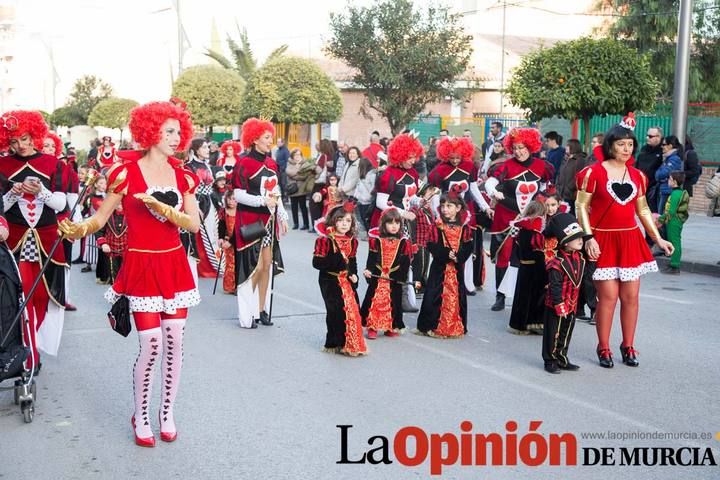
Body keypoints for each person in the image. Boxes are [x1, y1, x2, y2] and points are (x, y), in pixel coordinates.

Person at [58, 99, 202, 447]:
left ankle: (166, 412)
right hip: (141, 265)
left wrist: (166, 210)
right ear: (150, 132)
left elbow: (195, 224)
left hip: (174, 264)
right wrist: (79, 229)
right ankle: (141, 413)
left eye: (178, 131)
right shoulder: (125, 173)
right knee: (151, 343)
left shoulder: (184, 176)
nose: (175, 137)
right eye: (168, 131)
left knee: (176, 340)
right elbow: (101, 218)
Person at [575, 113, 674, 368]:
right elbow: (581, 207)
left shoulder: (638, 176)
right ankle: (604, 346)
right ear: (610, 145)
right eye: (621, 144)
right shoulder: (592, 173)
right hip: (602, 240)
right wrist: (588, 238)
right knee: (607, 297)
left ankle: (628, 345)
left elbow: (642, 211)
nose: (626, 149)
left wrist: (659, 240)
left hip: (630, 240)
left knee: (631, 298)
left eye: (630, 145)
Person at [0, 111, 67, 373]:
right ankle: (27, 355)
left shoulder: (53, 163)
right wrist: (14, 194)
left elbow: (61, 204)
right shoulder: (2, 166)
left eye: (25, 139)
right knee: (18, 299)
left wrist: (42, 191)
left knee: (42, 298)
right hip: (13, 243)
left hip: (48, 242)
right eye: (14, 141)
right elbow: (0, 208)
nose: (20, 146)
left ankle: (34, 347)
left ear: (35, 135)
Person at [485, 128, 553, 311]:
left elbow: (547, 186)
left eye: (522, 147)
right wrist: (494, 192)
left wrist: (543, 201)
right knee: (504, 257)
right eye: (514, 148)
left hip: (530, 219)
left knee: (527, 257)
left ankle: (523, 294)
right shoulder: (505, 166)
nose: (518, 151)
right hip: (506, 217)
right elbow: (490, 181)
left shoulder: (542, 166)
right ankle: (500, 296)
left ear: (530, 147)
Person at [231, 118, 288, 329]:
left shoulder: (271, 163)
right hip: (249, 220)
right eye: (266, 137)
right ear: (254, 139)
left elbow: (276, 192)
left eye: (270, 137)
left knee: (266, 266)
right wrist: (262, 201)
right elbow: (237, 194)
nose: (270, 141)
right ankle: (247, 313)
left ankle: (261, 308)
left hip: (269, 220)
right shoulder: (243, 163)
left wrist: (281, 213)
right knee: (252, 267)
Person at [428, 135, 492, 295]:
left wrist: (485, 207)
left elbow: (473, 189)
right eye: (452, 157)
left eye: (458, 157)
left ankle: (468, 283)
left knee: (466, 248)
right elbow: (435, 195)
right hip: (448, 213)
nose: (455, 160)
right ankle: (447, 281)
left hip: (467, 212)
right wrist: (438, 214)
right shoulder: (439, 171)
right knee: (448, 247)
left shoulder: (470, 166)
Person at [370, 133, 424, 313]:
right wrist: (403, 213)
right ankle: (384, 297)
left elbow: (411, 196)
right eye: (409, 157)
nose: (413, 160)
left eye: (414, 157)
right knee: (388, 260)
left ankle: (404, 297)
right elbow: (380, 202)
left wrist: (421, 201)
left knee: (406, 258)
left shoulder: (414, 173)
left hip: (406, 224)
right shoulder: (388, 175)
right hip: (389, 223)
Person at [416, 190, 474, 338]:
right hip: (439, 268)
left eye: (449, 206)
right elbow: (431, 244)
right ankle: (431, 325)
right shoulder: (437, 226)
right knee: (434, 296)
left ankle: (454, 324)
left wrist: (459, 256)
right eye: (443, 206)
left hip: (456, 269)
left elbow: (468, 246)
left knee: (456, 296)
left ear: (458, 208)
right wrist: (444, 252)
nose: (445, 209)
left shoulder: (464, 228)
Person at [312, 202, 367, 356]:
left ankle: (349, 342)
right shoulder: (325, 240)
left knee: (352, 309)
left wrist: (353, 273)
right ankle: (333, 342)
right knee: (335, 312)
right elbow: (317, 263)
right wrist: (336, 258)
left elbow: (352, 260)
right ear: (333, 221)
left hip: (346, 281)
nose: (344, 224)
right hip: (329, 280)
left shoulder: (352, 241)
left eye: (348, 221)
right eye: (340, 220)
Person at [541, 213, 586, 374]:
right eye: (577, 238)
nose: (581, 240)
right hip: (557, 304)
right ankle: (550, 360)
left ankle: (562, 357)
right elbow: (555, 285)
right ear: (566, 243)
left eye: (581, 237)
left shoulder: (580, 258)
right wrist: (559, 303)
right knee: (553, 332)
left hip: (572, 304)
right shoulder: (556, 262)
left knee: (566, 332)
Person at [361, 207, 412, 339]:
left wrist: (401, 277)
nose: (394, 226)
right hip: (378, 276)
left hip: (394, 277)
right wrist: (369, 270)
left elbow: (405, 262)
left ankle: (391, 326)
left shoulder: (403, 242)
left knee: (394, 302)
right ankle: (372, 326)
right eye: (390, 223)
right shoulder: (376, 241)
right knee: (374, 301)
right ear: (383, 224)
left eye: (397, 223)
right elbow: (371, 258)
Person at [43, 132, 80, 311]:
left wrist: (77, 223)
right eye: (44, 146)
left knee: (64, 260)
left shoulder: (66, 169)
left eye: (51, 146)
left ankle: (63, 295)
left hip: (61, 219)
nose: (49, 149)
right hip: (38, 221)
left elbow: (73, 198)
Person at [507, 200, 547, 335]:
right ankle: (532, 323)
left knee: (521, 296)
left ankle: (518, 325)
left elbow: (517, 250)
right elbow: (539, 253)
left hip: (523, 266)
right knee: (534, 296)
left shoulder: (520, 229)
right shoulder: (536, 231)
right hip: (535, 268)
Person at [187, 138, 222, 278]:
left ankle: (215, 263)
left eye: (208, 147)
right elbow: (190, 189)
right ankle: (203, 266)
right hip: (197, 202)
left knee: (212, 233)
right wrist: (195, 206)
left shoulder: (207, 165)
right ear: (196, 150)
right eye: (204, 148)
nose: (207, 150)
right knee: (199, 235)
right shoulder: (189, 166)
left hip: (210, 202)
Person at [657, 171, 690, 274]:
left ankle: (675, 266)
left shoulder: (676, 194)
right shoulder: (678, 192)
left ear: (674, 181)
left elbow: (671, 211)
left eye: (670, 179)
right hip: (675, 220)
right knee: (674, 241)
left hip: (674, 221)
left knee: (674, 242)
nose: (668, 181)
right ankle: (673, 264)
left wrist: (660, 219)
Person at [409, 183, 439, 295]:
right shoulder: (415, 209)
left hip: (426, 243)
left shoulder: (429, 210)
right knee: (419, 266)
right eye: (429, 193)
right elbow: (412, 227)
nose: (432, 195)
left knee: (425, 265)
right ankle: (416, 286)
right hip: (418, 242)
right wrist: (413, 243)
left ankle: (422, 285)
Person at [635, 126, 664, 213]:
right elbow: (638, 164)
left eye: (650, 136)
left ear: (658, 137)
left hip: (654, 189)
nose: (647, 138)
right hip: (642, 187)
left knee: (654, 215)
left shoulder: (662, 150)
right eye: (647, 135)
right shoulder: (644, 149)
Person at [556, 139, 587, 214]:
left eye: (567, 146)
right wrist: (557, 186)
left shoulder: (580, 160)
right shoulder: (565, 158)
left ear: (573, 147)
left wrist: (570, 188)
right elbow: (560, 173)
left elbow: (578, 177)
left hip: (571, 195)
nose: (565, 147)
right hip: (561, 194)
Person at [655, 135, 684, 215]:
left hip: (668, 191)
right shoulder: (668, 158)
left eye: (664, 144)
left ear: (670, 146)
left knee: (663, 217)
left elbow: (662, 174)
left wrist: (659, 175)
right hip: (664, 190)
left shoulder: (674, 158)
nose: (662, 147)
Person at [285, 148, 313, 230]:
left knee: (303, 207)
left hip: (302, 188)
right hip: (292, 188)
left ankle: (306, 224)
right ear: (292, 156)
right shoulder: (289, 163)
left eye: (299, 154)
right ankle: (295, 223)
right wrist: (299, 173)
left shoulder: (305, 163)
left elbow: (305, 175)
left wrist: (295, 175)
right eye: (295, 154)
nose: (297, 156)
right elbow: (288, 172)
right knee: (294, 207)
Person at [218, 189, 237, 293]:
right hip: (227, 240)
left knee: (238, 263)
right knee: (230, 263)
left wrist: (231, 242)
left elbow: (238, 229)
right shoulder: (224, 211)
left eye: (233, 199)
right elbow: (221, 225)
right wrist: (221, 238)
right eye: (229, 199)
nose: (231, 201)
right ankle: (230, 286)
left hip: (238, 241)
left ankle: (238, 285)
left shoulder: (240, 212)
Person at [353, 157, 377, 236]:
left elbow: (372, 189)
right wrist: (355, 196)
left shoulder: (372, 175)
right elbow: (358, 187)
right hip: (361, 200)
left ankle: (369, 234)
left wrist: (364, 181)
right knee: (362, 218)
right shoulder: (362, 175)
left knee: (366, 218)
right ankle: (368, 233)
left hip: (367, 200)